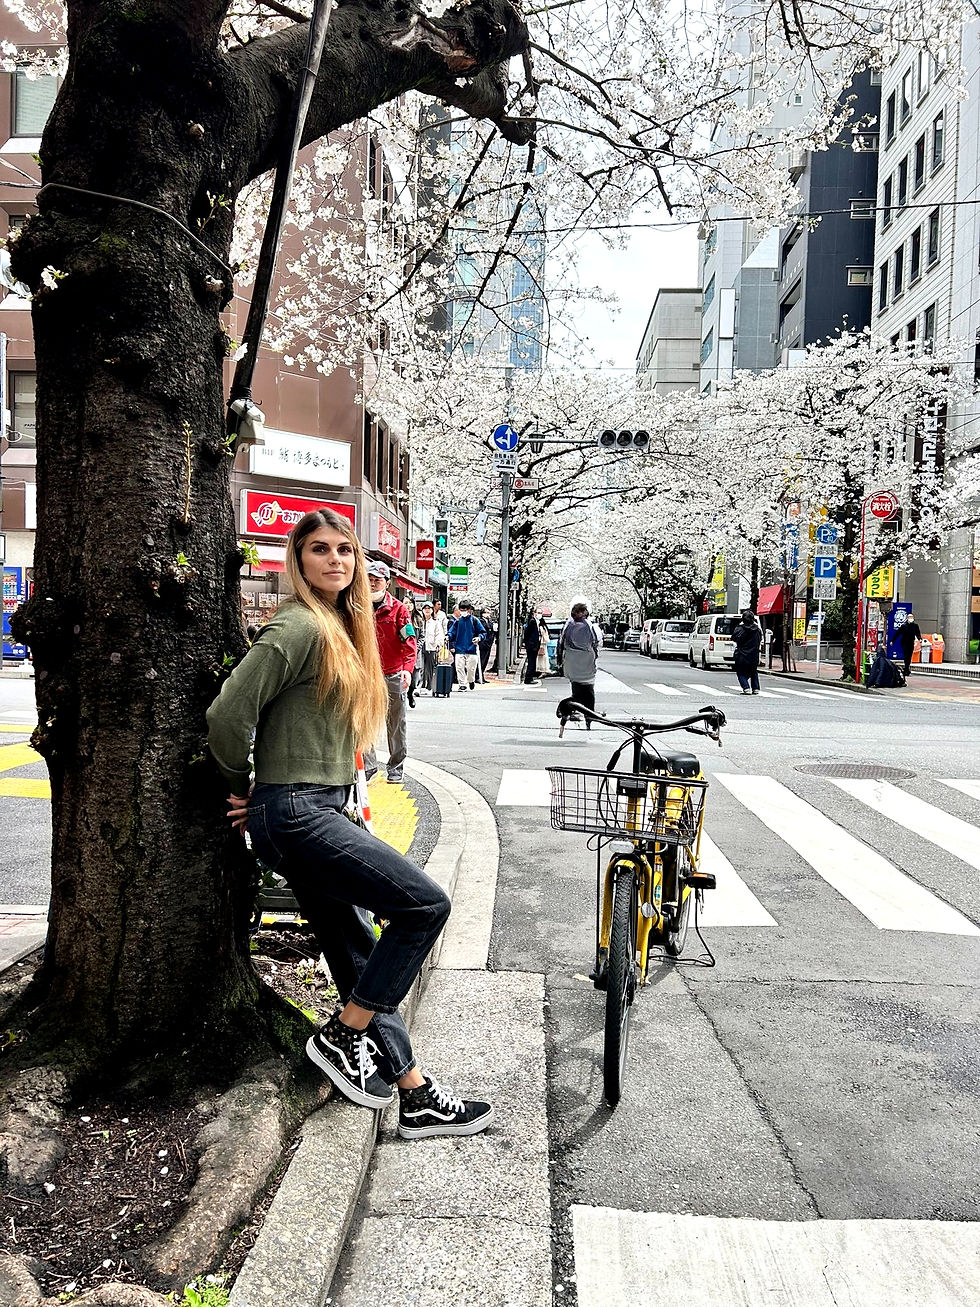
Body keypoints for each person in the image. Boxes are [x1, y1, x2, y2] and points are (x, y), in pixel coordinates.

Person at [206, 508, 491, 1137]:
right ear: (297, 561)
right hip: (298, 814)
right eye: (319, 550)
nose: (336, 560)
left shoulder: (338, 628)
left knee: (356, 945)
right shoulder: (297, 627)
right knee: (425, 906)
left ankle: (413, 1093)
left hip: (317, 807)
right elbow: (227, 714)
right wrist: (239, 789)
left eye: (345, 550)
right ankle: (342, 1035)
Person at [363, 560, 416, 784]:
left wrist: (407, 669)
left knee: (396, 722)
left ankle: (396, 766)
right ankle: (368, 765)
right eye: (370, 579)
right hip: (365, 674)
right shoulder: (357, 606)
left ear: (387, 583)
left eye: (377, 580)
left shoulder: (399, 610)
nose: (373, 583)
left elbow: (410, 643)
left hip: (392, 673)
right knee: (362, 721)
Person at [558, 603, 600, 726]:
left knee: (578, 690)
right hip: (585, 663)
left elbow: (561, 645)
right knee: (588, 692)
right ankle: (585, 714)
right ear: (581, 612)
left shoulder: (568, 625)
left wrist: (560, 661)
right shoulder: (586, 625)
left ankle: (575, 711)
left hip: (572, 663)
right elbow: (594, 643)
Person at [447, 599, 486, 691]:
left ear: (469, 609)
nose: (463, 612)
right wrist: (448, 636)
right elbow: (452, 632)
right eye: (461, 609)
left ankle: (471, 680)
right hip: (460, 648)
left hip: (471, 649)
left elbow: (483, 632)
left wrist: (479, 638)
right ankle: (462, 684)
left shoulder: (475, 621)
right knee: (459, 667)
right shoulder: (458, 622)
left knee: (471, 669)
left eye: (465, 609)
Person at [732, 609, 763, 695]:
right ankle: (756, 688)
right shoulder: (757, 630)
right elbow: (760, 639)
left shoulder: (740, 629)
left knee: (740, 672)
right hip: (754, 654)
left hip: (742, 654)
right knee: (753, 671)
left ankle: (746, 688)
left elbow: (734, 638)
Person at [419, 602, 443, 693]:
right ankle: (420, 685)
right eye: (425, 608)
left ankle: (428, 686)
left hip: (431, 647)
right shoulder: (420, 622)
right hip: (420, 647)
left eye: (429, 608)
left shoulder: (435, 623)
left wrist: (437, 644)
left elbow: (439, 635)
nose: (427, 610)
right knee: (420, 667)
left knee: (429, 668)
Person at [894, 611, 922, 677]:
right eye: (909, 617)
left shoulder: (915, 626)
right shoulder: (904, 626)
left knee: (909, 656)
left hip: (911, 642)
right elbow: (898, 633)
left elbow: (917, 633)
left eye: (911, 617)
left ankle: (906, 669)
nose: (911, 618)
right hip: (904, 642)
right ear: (907, 618)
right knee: (906, 655)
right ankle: (906, 669)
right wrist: (893, 640)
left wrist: (919, 638)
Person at [522, 608, 541, 685]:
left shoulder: (537, 622)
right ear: (535, 613)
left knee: (533, 662)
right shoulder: (532, 621)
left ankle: (530, 678)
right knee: (531, 662)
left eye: (541, 613)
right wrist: (527, 643)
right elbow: (527, 633)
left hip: (535, 645)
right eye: (538, 612)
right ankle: (528, 679)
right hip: (531, 645)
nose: (540, 614)